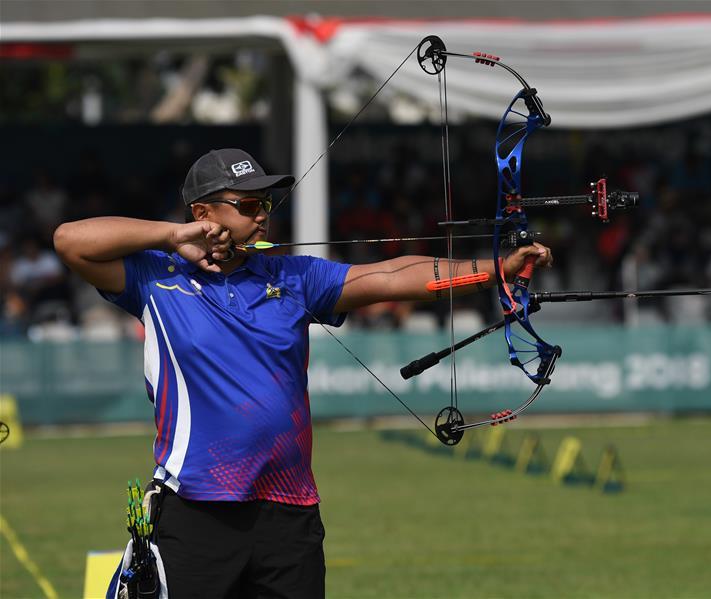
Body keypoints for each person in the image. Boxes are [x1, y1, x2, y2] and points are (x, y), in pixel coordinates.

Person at [53, 148, 552, 598]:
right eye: (248, 205)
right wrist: (172, 235)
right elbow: (70, 240)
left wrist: (496, 269)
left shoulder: (293, 277)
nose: (263, 215)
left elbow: (390, 277)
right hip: (196, 507)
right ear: (203, 213)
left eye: (266, 203)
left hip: (289, 514)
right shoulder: (155, 279)